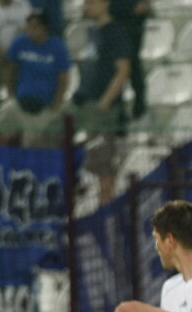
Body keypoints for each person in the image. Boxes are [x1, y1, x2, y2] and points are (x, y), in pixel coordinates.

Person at [71, 0, 132, 204]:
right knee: (96, 163)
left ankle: (106, 209)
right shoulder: (92, 32)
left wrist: (104, 104)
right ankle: (99, 206)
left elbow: (123, 70)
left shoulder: (115, 32)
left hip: (104, 110)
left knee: (105, 165)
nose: (87, 6)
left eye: (91, 2)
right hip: (89, 105)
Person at [0, 10, 70, 147]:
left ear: (45, 27)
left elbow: (64, 79)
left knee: (32, 144)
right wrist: (10, 94)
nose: (31, 30)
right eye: (29, 25)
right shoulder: (20, 43)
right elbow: (11, 70)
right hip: (18, 103)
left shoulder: (58, 48)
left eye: (36, 26)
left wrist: (56, 103)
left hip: (43, 107)